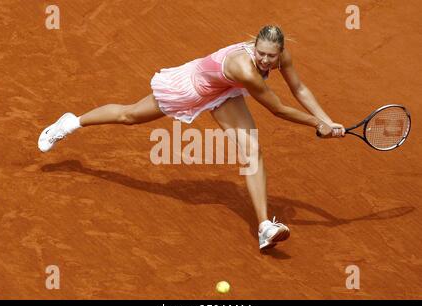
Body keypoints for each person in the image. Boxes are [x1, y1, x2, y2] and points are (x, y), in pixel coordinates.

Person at [38, 25, 345, 250]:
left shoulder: (280, 57)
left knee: (252, 150)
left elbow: (299, 89)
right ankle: (71, 122)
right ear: (254, 47)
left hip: (224, 92)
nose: (266, 61)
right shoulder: (246, 69)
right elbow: (277, 109)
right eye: (261, 54)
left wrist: (328, 121)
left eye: (271, 56)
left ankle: (265, 226)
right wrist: (316, 123)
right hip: (190, 87)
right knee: (129, 116)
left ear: (280, 51)